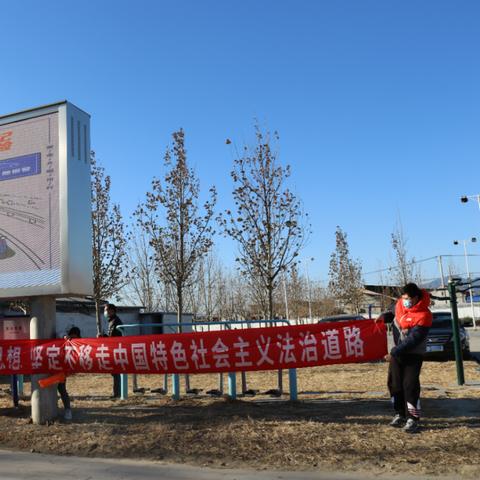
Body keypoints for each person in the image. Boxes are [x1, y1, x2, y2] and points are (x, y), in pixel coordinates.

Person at [385, 283, 432, 433]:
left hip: (413, 355)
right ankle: (399, 414)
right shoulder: (398, 306)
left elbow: (413, 339)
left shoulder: (424, 315)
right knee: (395, 384)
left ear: (416, 298)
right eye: (403, 298)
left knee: (410, 385)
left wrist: (394, 352)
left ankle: (412, 418)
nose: (405, 301)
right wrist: (382, 317)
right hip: (396, 355)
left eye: (408, 299)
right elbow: (391, 314)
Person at [58, 326, 81, 420]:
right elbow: (59, 333)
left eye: (75, 337)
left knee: (62, 389)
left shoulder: (78, 343)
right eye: (72, 336)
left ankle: (67, 410)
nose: (73, 339)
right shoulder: (65, 339)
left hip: (61, 370)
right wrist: (64, 336)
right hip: (54, 366)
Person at [103, 303, 123, 398]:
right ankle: (117, 393)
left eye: (106, 310)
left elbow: (113, 337)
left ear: (112, 311)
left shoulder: (115, 322)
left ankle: (117, 393)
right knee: (115, 373)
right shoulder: (112, 321)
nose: (105, 312)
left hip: (116, 349)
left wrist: (104, 337)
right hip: (115, 348)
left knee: (116, 372)